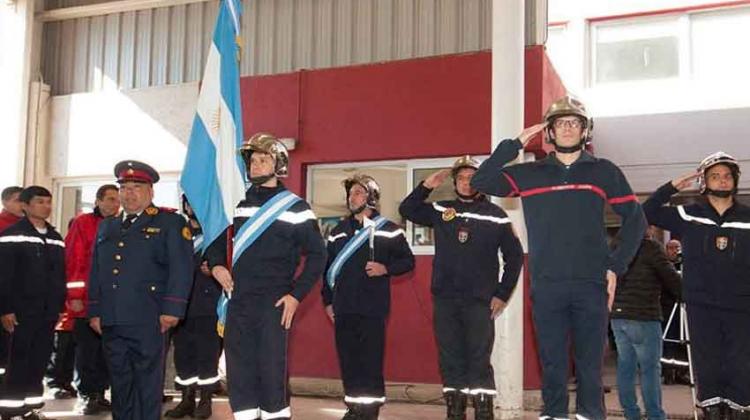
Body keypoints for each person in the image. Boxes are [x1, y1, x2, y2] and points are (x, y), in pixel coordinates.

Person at [470, 95, 646, 420]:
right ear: (549, 132)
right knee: (551, 362)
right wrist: (514, 143)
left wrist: (614, 266)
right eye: (560, 123)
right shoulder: (530, 173)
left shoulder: (603, 171)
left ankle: (591, 415)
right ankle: (554, 415)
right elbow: (481, 181)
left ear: (585, 130)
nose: (567, 128)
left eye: (574, 123)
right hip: (547, 284)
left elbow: (636, 219)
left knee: (589, 364)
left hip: (591, 283)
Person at [205, 133, 327, 420]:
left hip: (275, 302)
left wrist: (296, 296)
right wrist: (216, 265)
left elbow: (318, 256)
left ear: (279, 164)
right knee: (239, 372)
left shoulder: (296, 207)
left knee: (271, 373)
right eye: (252, 161)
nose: (255, 166)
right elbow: (214, 240)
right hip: (238, 300)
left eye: (263, 160)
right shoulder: (235, 202)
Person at [399, 156, 523, 420]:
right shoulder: (442, 209)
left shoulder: (496, 216)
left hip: (480, 302)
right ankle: (455, 412)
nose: (467, 183)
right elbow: (407, 209)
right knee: (450, 358)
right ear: (455, 182)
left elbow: (515, 257)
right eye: (461, 178)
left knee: (479, 359)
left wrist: (502, 294)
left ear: (481, 181)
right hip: (445, 299)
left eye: (471, 178)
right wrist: (426, 186)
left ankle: (483, 412)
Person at [643, 151, 750, 419]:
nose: (722, 181)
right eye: (715, 176)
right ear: (704, 181)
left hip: (742, 305)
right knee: (708, 362)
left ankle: (739, 409)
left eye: (727, 176)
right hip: (701, 304)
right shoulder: (687, 214)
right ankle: (710, 410)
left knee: (740, 363)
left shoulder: (748, 217)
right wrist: (672, 187)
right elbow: (646, 211)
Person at [88, 161, 193, 420]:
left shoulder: (170, 222)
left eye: (137, 187)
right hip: (111, 318)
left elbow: (181, 268)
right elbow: (97, 270)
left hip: (149, 317)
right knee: (120, 382)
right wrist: (94, 310)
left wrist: (172, 310)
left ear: (150, 192)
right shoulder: (107, 226)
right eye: (124, 188)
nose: (129, 193)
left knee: (147, 383)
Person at [322, 175, 415, 420]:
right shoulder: (338, 232)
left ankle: (370, 411)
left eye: (358, 193)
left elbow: (408, 261)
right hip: (343, 308)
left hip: (372, 308)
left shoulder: (389, 230)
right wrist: (327, 302)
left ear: (371, 197)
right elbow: (327, 269)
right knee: (349, 361)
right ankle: (354, 408)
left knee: (370, 362)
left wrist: (386, 268)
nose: (352, 198)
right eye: (351, 193)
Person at [0, 186, 66, 420]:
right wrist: (5, 309)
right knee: (18, 360)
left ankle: (31, 408)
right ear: (25, 206)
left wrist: (60, 308)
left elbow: (60, 276)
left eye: (48, 202)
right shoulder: (12, 234)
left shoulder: (56, 238)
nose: (46, 206)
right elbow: (4, 276)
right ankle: (10, 410)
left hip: (47, 313)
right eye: (40, 202)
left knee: (39, 360)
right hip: (20, 312)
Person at [610, 227, 681, 420]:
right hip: (644, 316)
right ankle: (655, 415)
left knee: (626, 366)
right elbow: (672, 279)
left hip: (618, 316)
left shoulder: (616, 247)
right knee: (650, 369)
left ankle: (631, 413)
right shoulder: (651, 248)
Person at [164, 197, 222, 419]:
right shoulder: (178, 232)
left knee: (207, 355)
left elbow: (229, 262)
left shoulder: (216, 233)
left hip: (208, 304)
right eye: (190, 204)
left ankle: (205, 401)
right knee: (183, 355)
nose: (193, 208)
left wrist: (216, 268)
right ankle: (186, 400)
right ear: (185, 206)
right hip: (180, 304)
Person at [64, 184, 119, 414]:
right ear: (97, 201)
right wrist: (75, 296)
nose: (114, 204)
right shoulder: (83, 223)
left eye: (116, 200)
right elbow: (73, 259)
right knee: (87, 352)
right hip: (85, 301)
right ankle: (86, 395)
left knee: (107, 352)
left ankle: (100, 393)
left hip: (111, 302)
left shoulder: (120, 225)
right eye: (109, 199)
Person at [0, 186, 23, 382]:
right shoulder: (3, 227)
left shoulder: (30, 227)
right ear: (5, 202)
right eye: (17, 200)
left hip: (21, 301)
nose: (22, 204)